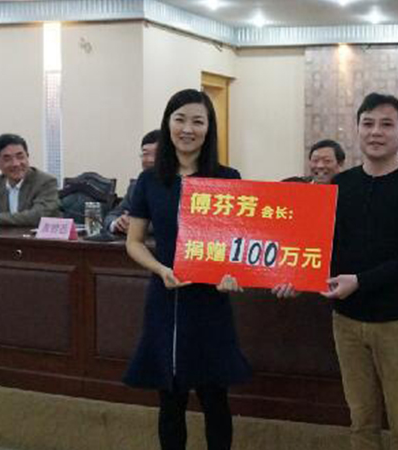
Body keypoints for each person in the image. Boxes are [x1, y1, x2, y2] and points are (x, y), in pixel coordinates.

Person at [123, 89, 251, 450]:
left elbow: (240, 244)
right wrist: (160, 268)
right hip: (167, 298)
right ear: (168, 124)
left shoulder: (227, 178)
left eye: (198, 121)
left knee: (215, 399)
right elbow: (134, 242)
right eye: (180, 119)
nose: (188, 129)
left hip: (211, 302)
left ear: (209, 128)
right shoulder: (150, 180)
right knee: (170, 400)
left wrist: (233, 274)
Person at [323, 93, 398, 450]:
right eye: (368, 123)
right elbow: (324, 248)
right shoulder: (340, 185)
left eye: (386, 124)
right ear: (357, 129)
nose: (376, 132)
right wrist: (296, 276)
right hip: (346, 320)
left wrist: (360, 281)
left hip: (397, 321)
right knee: (361, 421)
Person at [0, 133, 60, 226]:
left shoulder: (46, 182)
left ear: (27, 156)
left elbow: (37, 216)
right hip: (1, 236)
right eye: (7, 159)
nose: (16, 164)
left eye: (20, 157)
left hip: (35, 236)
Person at [103, 129, 159, 234]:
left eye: (157, 154)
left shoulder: (180, 186)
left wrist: (137, 225)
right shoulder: (135, 187)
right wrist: (117, 223)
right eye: (145, 154)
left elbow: (177, 224)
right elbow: (112, 215)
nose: (150, 160)